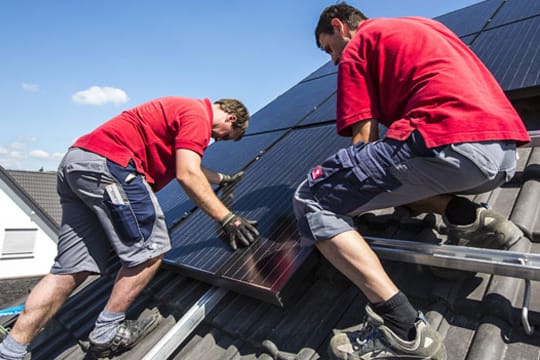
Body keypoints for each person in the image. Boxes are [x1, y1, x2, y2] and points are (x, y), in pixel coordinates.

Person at [293, 3, 530, 360]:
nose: (333, 61)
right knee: (398, 178)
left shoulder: (359, 46)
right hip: (502, 152)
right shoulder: (421, 26)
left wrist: (346, 199)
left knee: (312, 197)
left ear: (340, 27)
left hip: (450, 142)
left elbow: (364, 143)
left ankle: (402, 329)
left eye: (329, 48)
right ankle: (469, 219)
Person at [0, 96, 259, 360]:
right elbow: (187, 173)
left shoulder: (182, 110)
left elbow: (196, 167)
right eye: (226, 136)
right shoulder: (198, 116)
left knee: (70, 268)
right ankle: (106, 333)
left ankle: (10, 351)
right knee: (151, 248)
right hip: (110, 166)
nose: (217, 140)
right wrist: (228, 218)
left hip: (77, 165)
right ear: (231, 119)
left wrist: (225, 179)